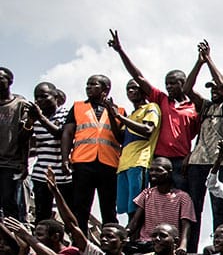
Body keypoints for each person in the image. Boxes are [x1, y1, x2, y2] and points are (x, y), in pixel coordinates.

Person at [107, 30, 198, 191]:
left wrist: (190, 156)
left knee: (181, 198)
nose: (168, 87)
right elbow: (139, 77)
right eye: (166, 83)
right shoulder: (161, 99)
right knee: (155, 201)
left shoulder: (194, 108)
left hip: (181, 160)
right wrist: (120, 51)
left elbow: (199, 136)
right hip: (159, 159)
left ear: (183, 83)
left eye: (172, 83)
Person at [184, 42, 223, 246]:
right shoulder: (206, 107)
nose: (214, 91)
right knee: (194, 207)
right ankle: (190, 246)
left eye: (217, 87)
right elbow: (187, 89)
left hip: (221, 162)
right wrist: (199, 63)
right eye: (211, 88)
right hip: (198, 161)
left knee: (219, 206)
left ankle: (221, 245)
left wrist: (209, 60)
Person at [61, 74, 127, 224]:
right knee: (80, 207)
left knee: (109, 207)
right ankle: (79, 243)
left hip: (109, 164)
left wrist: (111, 112)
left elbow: (121, 138)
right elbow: (67, 133)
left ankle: (110, 242)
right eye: (87, 84)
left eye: (93, 84)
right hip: (83, 162)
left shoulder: (120, 111)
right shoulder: (78, 107)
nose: (88, 87)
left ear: (106, 89)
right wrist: (65, 159)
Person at [113, 79, 160, 221]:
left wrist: (119, 116)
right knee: (127, 208)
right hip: (124, 164)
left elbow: (147, 130)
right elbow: (120, 137)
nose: (131, 91)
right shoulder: (131, 115)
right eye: (128, 89)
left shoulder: (151, 107)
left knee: (138, 206)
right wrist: (112, 114)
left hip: (140, 162)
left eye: (135, 88)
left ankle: (136, 238)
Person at [127, 157, 197, 251]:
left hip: (167, 243)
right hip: (146, 242)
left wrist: (182, 246)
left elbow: (186, 226)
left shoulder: (183, 197)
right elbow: (135, 221)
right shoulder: (146, 194)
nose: (153, 173)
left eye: (158, 170)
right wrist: (122, 235)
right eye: (151, 170)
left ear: (169, 172)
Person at [27, 82, 68, 221]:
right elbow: (24, 140)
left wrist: (41, 118)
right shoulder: (35, 117)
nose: (39, 100)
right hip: (40, 173)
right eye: (36, 98)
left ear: (55, 96)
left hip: (63, 175)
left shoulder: (66, 114)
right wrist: (29, 122)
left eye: (44, 96)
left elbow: (61, 135)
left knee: (67, 213)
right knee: (42, 215)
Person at [0, 68, 33, 221]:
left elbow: (25, 137)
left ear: (10, 81)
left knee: (9, 203)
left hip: (10, 162)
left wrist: (24, 162)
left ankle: (12, 239)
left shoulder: (20, 104)